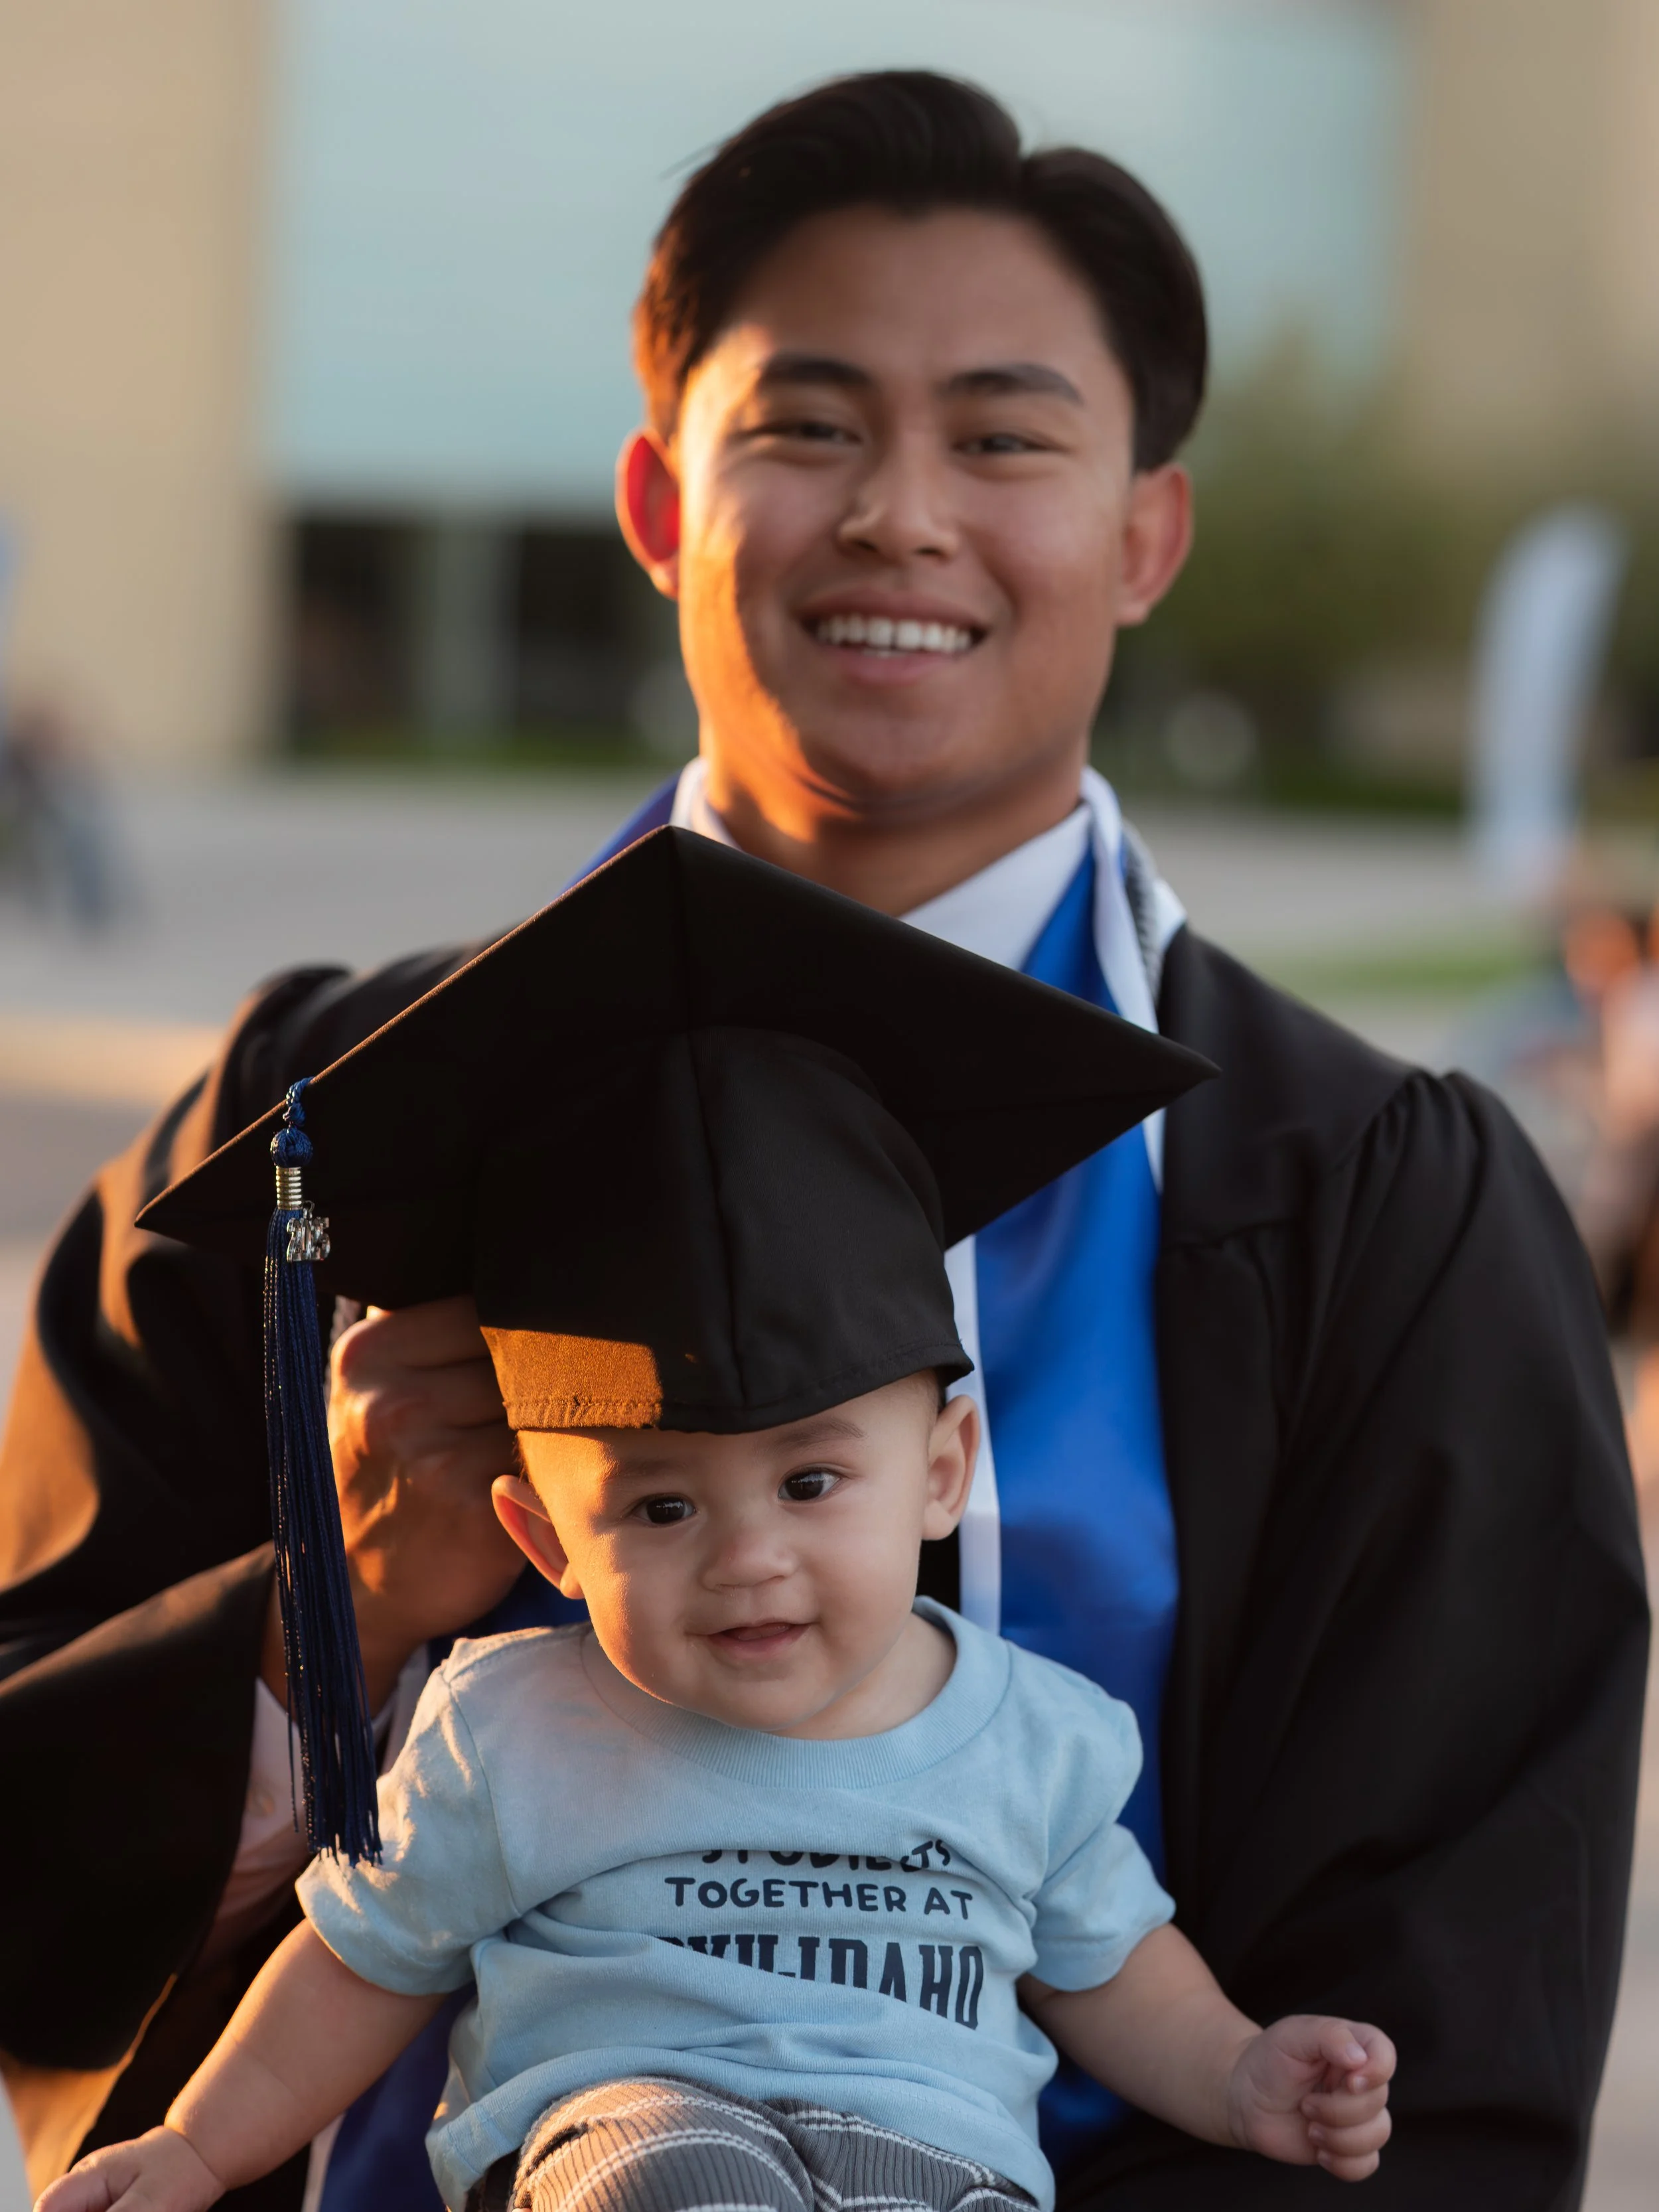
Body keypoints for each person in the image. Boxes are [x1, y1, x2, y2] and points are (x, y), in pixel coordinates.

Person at [0, 68, 1646, 2212]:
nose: (898, 514)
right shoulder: (305, 1133)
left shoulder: (1377, 1206)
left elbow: (1438, 2022)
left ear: (1145, 534)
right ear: (657, 498)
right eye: (807, 425)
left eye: (1003, 436)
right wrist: (341, 1612)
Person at [39, 828, 1394, 2212]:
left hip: (929, 2154)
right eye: (663, 1503)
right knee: (675, 2171)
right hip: (630, 2133)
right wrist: (199, 2146)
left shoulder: (1031, 1739)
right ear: (545, 1541)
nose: (748, 1558)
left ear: (944, 1471)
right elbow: (355, 1964)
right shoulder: (510, 1734)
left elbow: (1114, 1967)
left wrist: (1241, 2074)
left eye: (810, 1483)